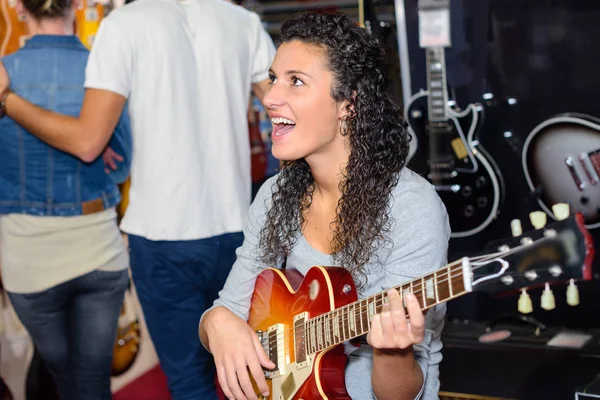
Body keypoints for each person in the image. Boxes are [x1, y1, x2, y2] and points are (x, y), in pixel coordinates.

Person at [0, 0, 276, 397]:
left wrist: (7, 99)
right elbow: (284, 107)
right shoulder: (241, 21)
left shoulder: (125, 25)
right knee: (256, 372)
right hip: (239, 233)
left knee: (190, 380)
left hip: (162, 235)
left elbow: (88, 141)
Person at [199, 11, 451, 400]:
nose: (270, 98)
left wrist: (391, 350)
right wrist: (216, 320)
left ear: (347, 103)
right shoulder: (275, 194)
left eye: (295, 81)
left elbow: (400, 394)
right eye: (273, 79)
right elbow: (228, 312)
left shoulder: (411, 208)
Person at [0, 0, 132, 398]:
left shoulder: (6, 74)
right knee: (92, 382)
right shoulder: (102, 69)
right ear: (77, 5)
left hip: (27, 254)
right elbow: (123, 165)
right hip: (98, 247)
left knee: (62, 376)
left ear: (19, 8)